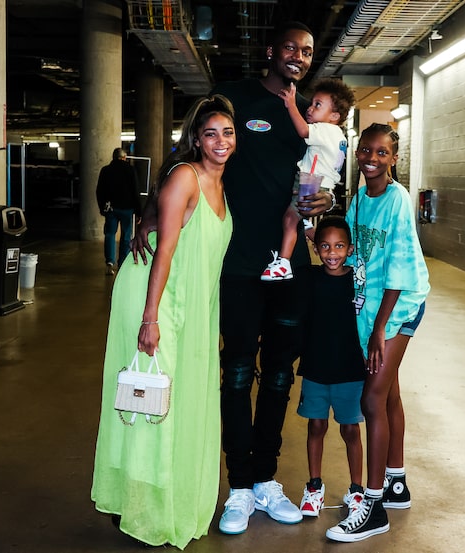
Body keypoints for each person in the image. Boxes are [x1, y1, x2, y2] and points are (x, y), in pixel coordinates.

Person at [132, 21, 335, 536]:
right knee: (239, 373)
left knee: (281, 376)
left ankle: (267, 478)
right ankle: (240, 486)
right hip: (238, 265)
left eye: (307, 52)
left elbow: (322, 176)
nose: (298, 57)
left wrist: (328, 201)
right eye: (290, 48)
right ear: (271, 52)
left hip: (290, 267)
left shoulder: (311, 114)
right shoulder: (233, 99)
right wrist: (155, 208)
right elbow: (189, 152)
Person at [91, 95, 236, 549]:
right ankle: (141, 506)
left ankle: (165, 498)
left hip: (192, 303)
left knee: (177, 400)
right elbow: (167, 250)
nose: (220, 141)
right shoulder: (185, 177)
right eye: (210, 133)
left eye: (228, 132)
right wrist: (149, 318)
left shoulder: (221, 182)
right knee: (153, 404)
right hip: (157, 298)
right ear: (195, 138)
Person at [325, 123, 430, 542]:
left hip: (399, 305)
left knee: (371, 399)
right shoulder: (357, 201)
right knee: (389, 394)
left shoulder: (398, 201)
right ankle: (396, 481)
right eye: (365, 151)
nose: (371, 158)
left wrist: (379, 330)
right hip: (370, 308)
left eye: (381, 153)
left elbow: (400, 273)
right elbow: (355, 256)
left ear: (393, 158)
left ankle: (374, 506)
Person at [295, 216, 365, 518]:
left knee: (350, 429)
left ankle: (357, 490)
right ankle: (314, 487)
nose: (332, 253)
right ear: (316, 248)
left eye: (339, 246)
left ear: (350, 249)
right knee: (317, 426)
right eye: (325, 246)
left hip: (350, 370)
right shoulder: (309, 278)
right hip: (316, 368)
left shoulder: (359, 281)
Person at [260, 78, 356, 281]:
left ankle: (283, 264)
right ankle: (332, 250)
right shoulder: (338, 135)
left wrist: (291, 104)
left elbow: (303, 130)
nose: (310, 109)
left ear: (334, 116)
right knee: (302, 223)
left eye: (318, 105)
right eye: (312, 103)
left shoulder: (326, 129)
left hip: (311, 182)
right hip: (320, 183)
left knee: (289, 219)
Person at [96, 147, 141, 275]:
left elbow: (99, 191)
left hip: (111, 208)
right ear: (124, 157)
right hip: (127, 208)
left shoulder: (106, 170)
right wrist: (139, 212)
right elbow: (135, 191)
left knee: (110, 234)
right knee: (126, 236)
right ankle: (122, 264)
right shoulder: (130, 170)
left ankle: (109, 262)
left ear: (113, 157)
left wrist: (102, 207)